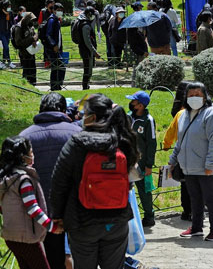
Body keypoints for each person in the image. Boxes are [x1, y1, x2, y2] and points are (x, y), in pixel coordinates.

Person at [51, 94, 140, 269]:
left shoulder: (77, 142)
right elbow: (130, 181)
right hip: (116, 220)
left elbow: (59, 182)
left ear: (91, 117)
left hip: (82, 221)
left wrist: (58, 217)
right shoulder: (123, 142)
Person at [19, 93, 81, 269]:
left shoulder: (25, 136)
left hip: (40, 209)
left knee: (51, 258)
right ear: (63, 110)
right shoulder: (77, 133)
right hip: (75, 206)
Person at [168, 82, 213, 241]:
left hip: (206, 167)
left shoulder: (211, 114)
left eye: (198, 95)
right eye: (190, 95)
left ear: (205, 96)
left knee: (210, 198)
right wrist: (172, 161)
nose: (194, 98)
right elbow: (180, 141)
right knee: (195, 198)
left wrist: (210, 164)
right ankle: (196, 227)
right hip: (188, 166)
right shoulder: (184, 114)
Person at [0, 136, 64, 269]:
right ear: (23, 158)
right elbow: (32, 208)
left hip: (10, 237)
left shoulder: (6, 179)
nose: (33, 155)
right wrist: (51, 226)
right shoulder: (24, 181)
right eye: (31, 152)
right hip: (27, 238)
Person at [127, 91, 157, 228]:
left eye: (134, 101)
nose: (131, 104)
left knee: (145, 190)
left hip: (143, 162)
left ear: (140, 105)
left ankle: (149, 216)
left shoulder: (148, 121)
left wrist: (149, 165)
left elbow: (152, 144)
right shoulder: (128, 117)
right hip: (128, 160)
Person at [163, 81, 192, 221]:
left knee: (186, 184)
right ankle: (196, 210)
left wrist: (166, 144)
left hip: (184, 157)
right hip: (199, 157)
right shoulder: (208, 112)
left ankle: (187, 211)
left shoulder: (180, 114)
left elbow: (171, 132)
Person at [43, 3, 66, 91]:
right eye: (58, 10)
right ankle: (55, 86)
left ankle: (56, 86)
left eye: (61, 10)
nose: (60, 12)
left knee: (56, 68)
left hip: (57, 49)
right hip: (53, 49)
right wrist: (54, 45)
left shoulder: (56, 20)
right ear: (54, 10)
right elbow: (48, 35)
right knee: (60, 67)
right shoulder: (52, 20)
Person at [77, 7, 101, 90]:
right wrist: (95, 52)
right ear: (89, 14)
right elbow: (88, 42)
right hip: (86, 51)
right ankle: (85, 86)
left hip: (86, 50)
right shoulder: (85, 25)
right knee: (87, 69)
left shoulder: (85, 23)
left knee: (88, 68)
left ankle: (86, 85)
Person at [13, 12, 38, 85]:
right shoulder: (19, 27)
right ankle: (26, 86)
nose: (32, 22)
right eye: (31, 20)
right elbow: (18, 42)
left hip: (31, 51)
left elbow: (33, 34)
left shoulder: (29, 26)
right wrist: (31, 39)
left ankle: (33, 85)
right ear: (27, 19)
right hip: (24, 53)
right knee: (27, 71)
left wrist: (35, 38)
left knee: (33, 71)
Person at [0, 0, 15, 69]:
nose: (10, 7)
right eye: (9, 6)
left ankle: (3, 61)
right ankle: (9, 61)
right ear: (5, 6)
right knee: (6, 47)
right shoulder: (0, 12)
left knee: (5, 48)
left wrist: (13, 26)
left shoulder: (10, 12)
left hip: (8, 32)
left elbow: (12, 21)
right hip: (1, 32)